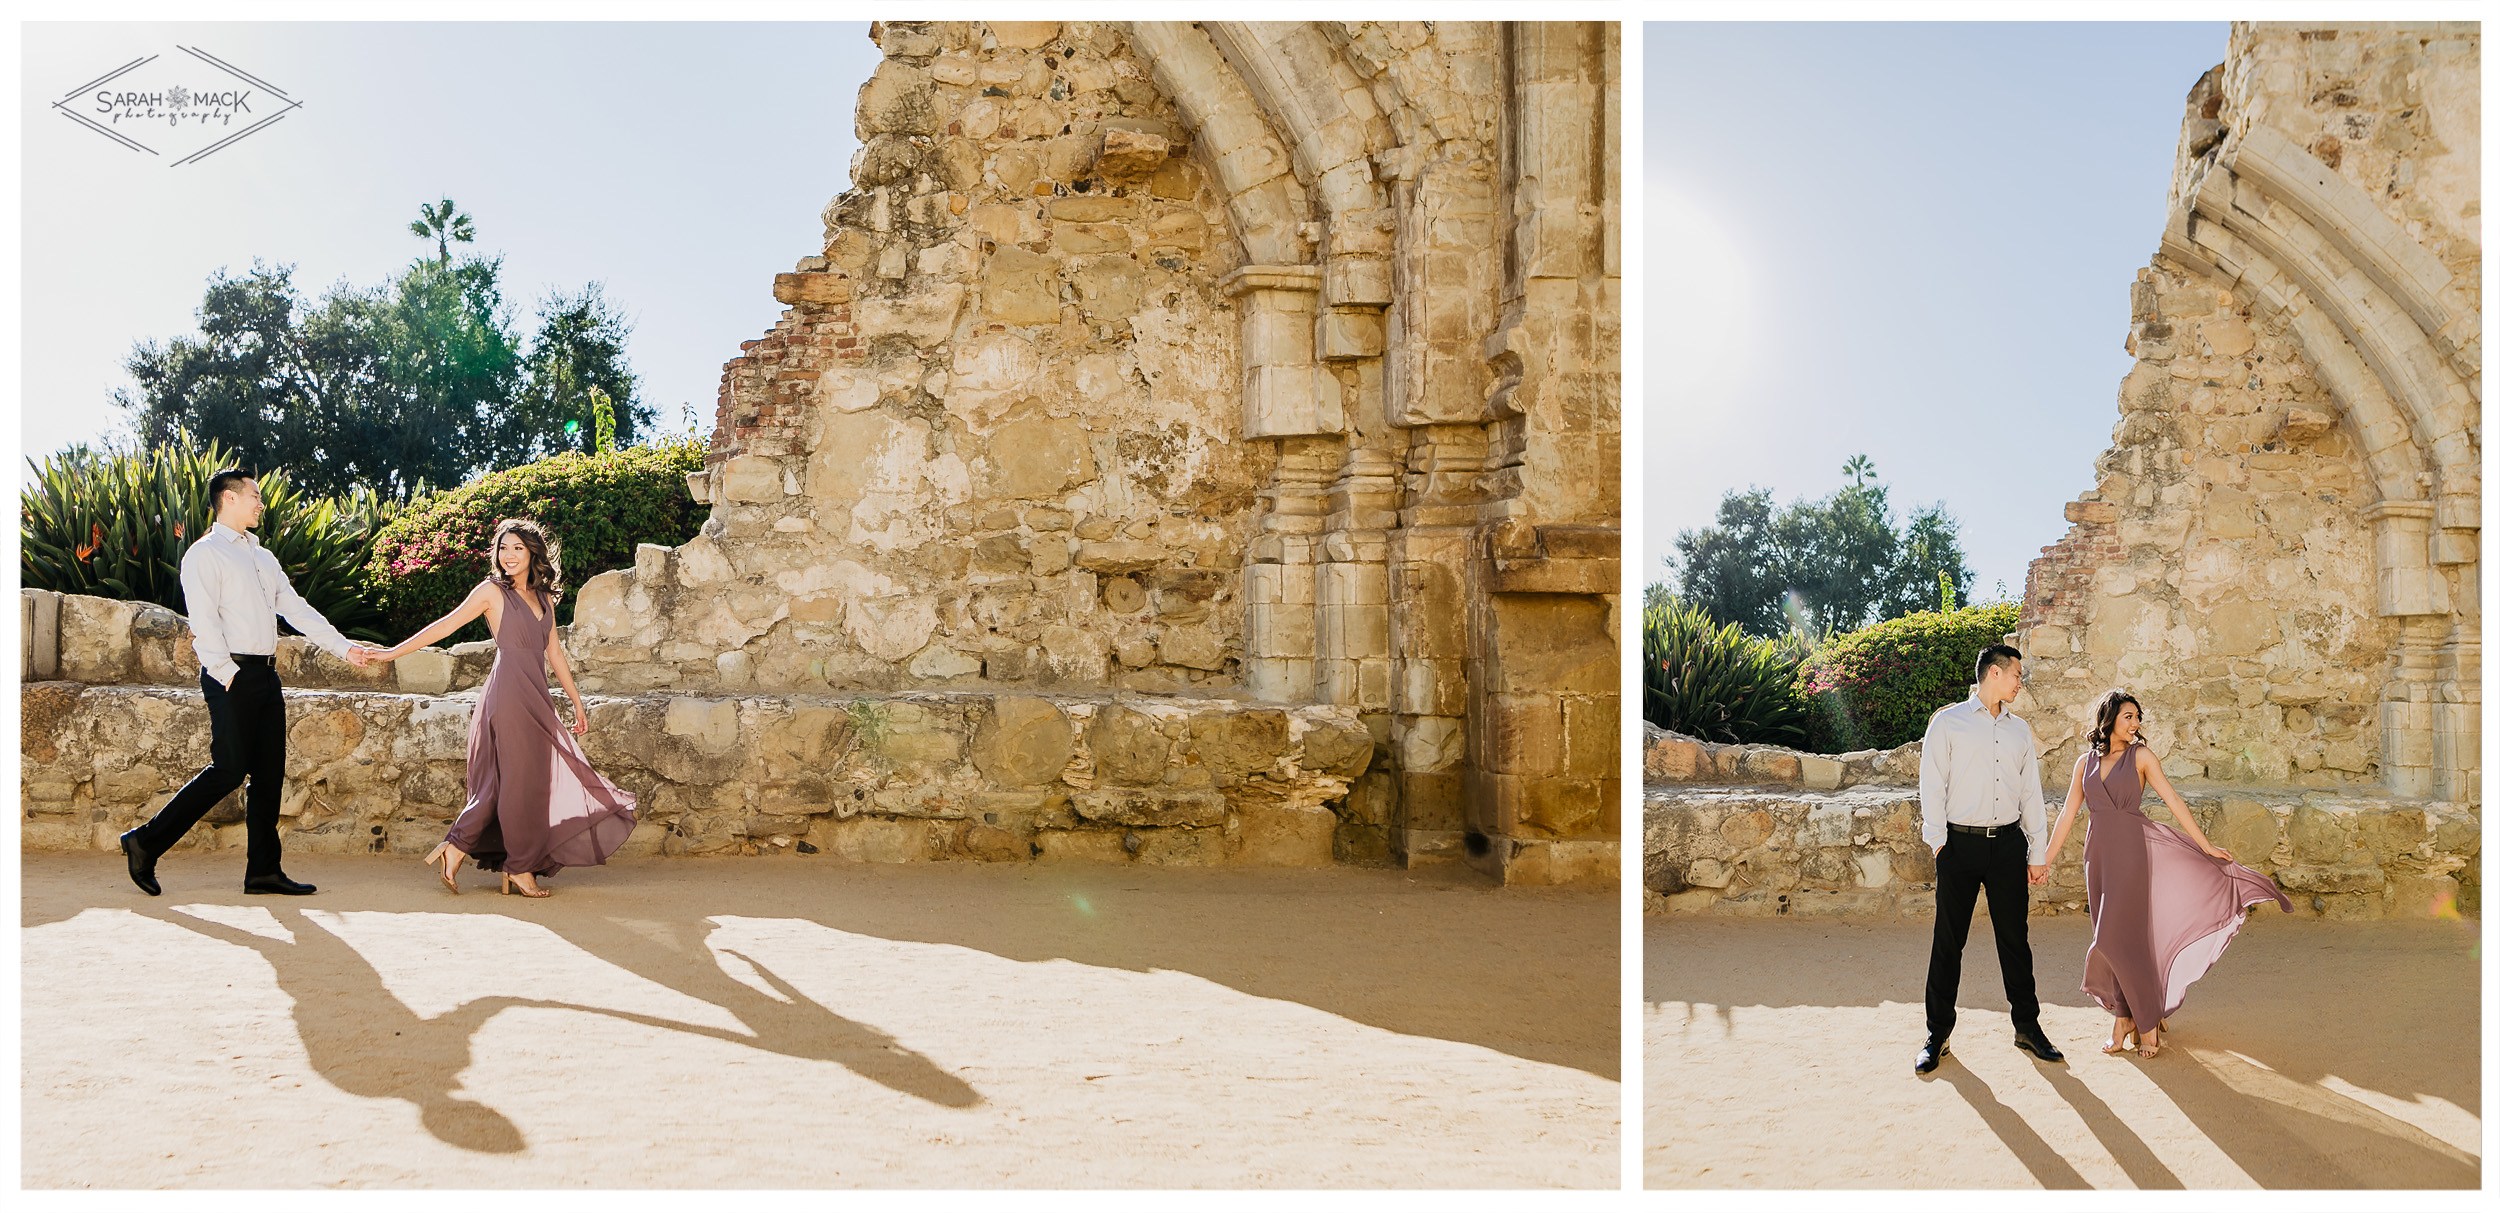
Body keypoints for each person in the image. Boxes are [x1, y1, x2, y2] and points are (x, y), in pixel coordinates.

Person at [120, 468, 385, 896]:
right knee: (228, 770)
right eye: (254, 496)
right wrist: (227, 675)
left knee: (269, 774)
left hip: (265, 673)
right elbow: (202, 623)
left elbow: (295, 609)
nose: (261, 503)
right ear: (228, 499)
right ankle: (144, 842)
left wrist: (343, 648)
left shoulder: (262, 556)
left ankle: (263, 871)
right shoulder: (204, 555)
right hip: (232, 675)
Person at [373, 519, 636, 897]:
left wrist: (576, 702)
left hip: (537, 696)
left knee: (520, 782)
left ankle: (458, 848)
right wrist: (392, 653)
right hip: (508, 695)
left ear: (533, 554)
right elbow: (445, 626)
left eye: (517, 548)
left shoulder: (544, 598)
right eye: (503, 548)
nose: (508, 555)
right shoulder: (491, 592)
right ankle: (519, 868)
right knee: (518, 784)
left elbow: (554, 653)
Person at [2038, 689, 2291, 1058]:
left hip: (2131, 856)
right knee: (2117, 938)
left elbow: (2173, 800)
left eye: (2138, 717)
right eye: (2128, 716)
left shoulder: (2142, 757)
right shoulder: (2084, 764)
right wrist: (2045, 859)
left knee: (2114, 938)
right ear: (2108, 719)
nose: (2135, 723)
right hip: (2098, 856)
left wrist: (2205, 845)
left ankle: (2144, 1021)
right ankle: (2129, 1018)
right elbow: (2067, 815)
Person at [1915, 643, 2063, 1074]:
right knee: (1948, 943)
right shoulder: (1947, 723)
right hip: (1959, 847)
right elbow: (1932, 783)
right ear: (1994, 674)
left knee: (2015, 941)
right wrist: (1939, 841)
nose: (2021, 681)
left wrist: (2036, 850)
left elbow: (2031, 792)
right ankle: (1937, 1034)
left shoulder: (2020, 731)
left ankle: (2028, 1028)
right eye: (2016, 674)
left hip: (2008, 847)